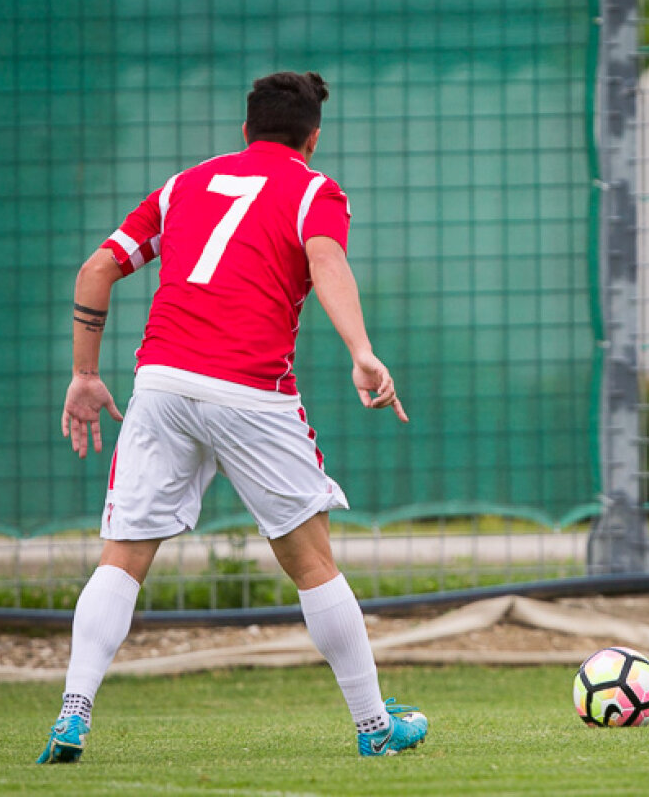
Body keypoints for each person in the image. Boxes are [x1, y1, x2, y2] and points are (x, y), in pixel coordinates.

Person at [38, 71, 428, 763]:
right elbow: (327, 257)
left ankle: (72, 713)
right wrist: (362, 352)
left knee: (123, 558)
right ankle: (375, 727)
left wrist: (86, 375)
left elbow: (97, 268)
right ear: (313, 137)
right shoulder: (314, 189)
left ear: (246, 130)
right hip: (251, 389)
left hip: (160, 384)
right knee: (311, 562)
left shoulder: (184, 185)